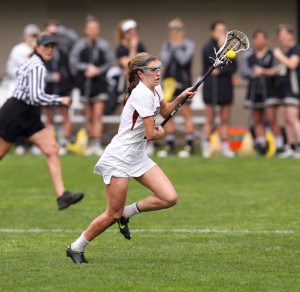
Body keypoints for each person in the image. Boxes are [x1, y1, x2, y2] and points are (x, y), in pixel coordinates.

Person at [65, 52, 196, 264]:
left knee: (169, 197)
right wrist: (161, 133)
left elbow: (165, 111)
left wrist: (181, 97)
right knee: (112, 215)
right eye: (152, 70)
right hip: (119, 157)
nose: (158, 73)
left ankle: (127, 212)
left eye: (158, 68)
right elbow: (151, 134)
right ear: (140, 74)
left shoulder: (155, 88)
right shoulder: (141, 94)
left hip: (137, 156)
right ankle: (75, 247)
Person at [0, 34, 84, 210]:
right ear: (37, 47)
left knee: (52, 149)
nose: (49, 49)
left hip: (28, 113)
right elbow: (35, 96)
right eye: (46, 46)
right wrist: (60, 100)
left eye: (52, 46)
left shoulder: (32, 63)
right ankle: (62, 195)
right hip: (16, 113)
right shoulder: (37, 65)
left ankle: (62, 196)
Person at [70, 16, 114, 156]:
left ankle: (96, 142)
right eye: (90, 28)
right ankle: (89, 141)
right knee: (88, 115)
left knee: (98, 115)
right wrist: (86, 68)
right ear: (86, 30)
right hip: (85, 83)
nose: (93, 31)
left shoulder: (103, 45)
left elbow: (109, 62)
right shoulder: (80, 44)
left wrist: (98, 70)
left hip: (99, 83)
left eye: (95, 28)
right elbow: (74, 61)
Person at [240, 29, 284, 155]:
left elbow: (277, 70)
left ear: (265, 40)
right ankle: (262, 145)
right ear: (254, 40)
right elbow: (244, 72)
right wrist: (254, 72)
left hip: (270, 90)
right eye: (257, 38)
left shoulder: (272, 54)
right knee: (257, 120)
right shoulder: (248, 55)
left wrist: (264, 71)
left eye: (262, 38)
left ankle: (279, 147)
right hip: (254, 91)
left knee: (271, 119)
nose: (260, 41)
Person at [158, 18, 195, 158]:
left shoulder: (188, 44)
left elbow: (183, 59)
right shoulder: (166, 45)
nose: (175, 33)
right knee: (168, 113)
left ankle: (189, 146)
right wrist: (171, 46)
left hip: (183, 84)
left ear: (182, 31)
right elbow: (164, 60)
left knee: (186, 114)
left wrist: (176, 46)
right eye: (172, 30)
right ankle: (170, 145)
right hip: (168, 84)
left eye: (178, 29)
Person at [201, 20, 237, 158]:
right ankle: (206, 144)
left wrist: (224, 47)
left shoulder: (230, 48)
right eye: (219, 30)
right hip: (211, 86)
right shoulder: (207, 47)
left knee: (225, 119)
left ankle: (225, 146)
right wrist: (220, 48)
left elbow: (233, 67)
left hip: (225, 86)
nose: (222, 33)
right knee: (209, 118)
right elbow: (211, 65)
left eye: (224, 30)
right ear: (212, 32)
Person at [5, 24, 42, 156]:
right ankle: (20, 144)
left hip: (34, 90)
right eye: (31, 35)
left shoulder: (40, 50)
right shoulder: (18, 50)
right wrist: (24, 73)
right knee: (19, 117)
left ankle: (34, 145)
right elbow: (10, 68)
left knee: (33, 116)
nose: (33, 38)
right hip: (19, 89)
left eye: (35, 35)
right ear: (25, 36)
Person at [43, 20, 79, 154]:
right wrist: (51, 77)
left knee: (65, 114)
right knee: (49, 116)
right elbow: (39, 68)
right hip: (48, 85)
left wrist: (59, 30)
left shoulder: (63, 45)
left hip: (64, 85)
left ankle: (64, 142)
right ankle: (48, 143)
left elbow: (74, 38)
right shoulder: (42, 47)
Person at [273, 24, 300, 158]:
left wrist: (279, 55)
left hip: (293, 88)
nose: (282, 37)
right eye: (280, 35)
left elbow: (292, 64)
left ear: (291, 35)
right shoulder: (283, 51)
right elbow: (278, 70)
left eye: (284, 34)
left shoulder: (296, 49)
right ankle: (290, 146)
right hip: (281, 89)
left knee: (293, 118)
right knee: (285, 119)